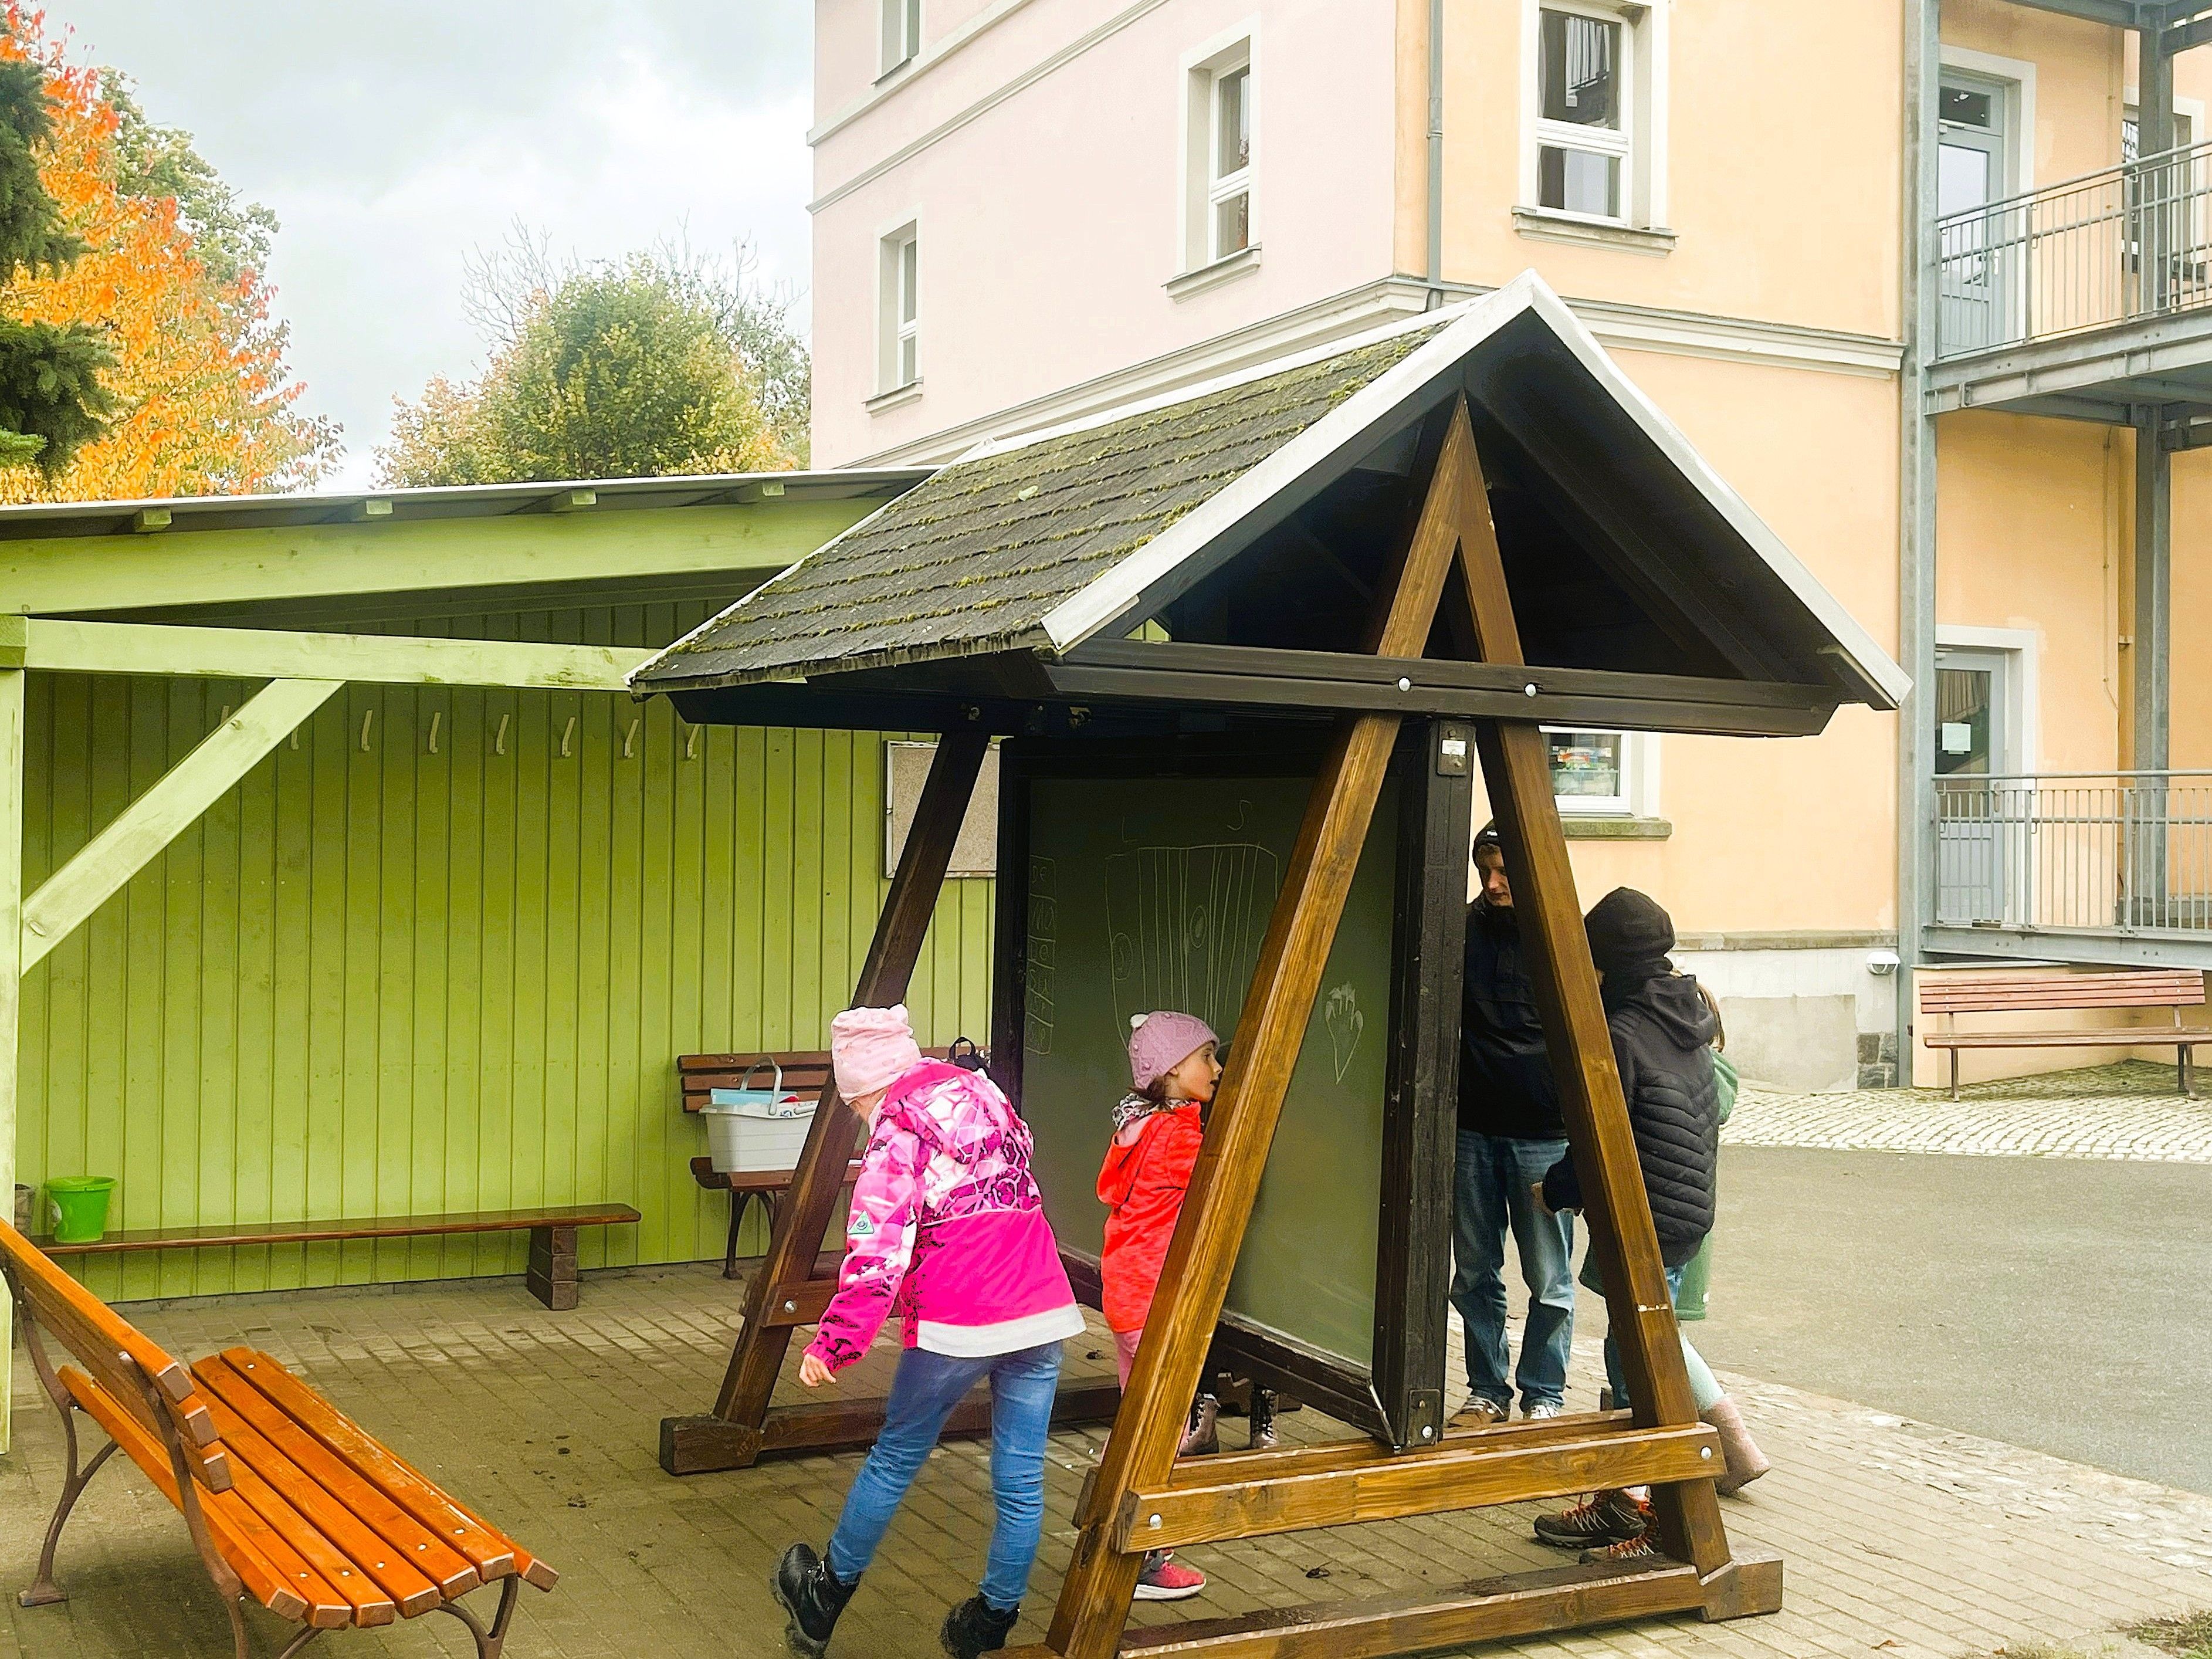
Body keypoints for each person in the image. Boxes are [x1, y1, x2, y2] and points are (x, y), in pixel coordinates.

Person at [773, 1005, 1088, 1659]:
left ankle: (823, 1598)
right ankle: (991, 1619)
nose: (861, 1118)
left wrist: (835, 1342)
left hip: (959, 1316)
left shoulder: (896, 1130)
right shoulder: (984, 1093)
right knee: (1022, 1479)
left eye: (855, 1106)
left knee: (895, 1457)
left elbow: (877, 1251)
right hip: (1040, 1301)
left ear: (865, 1089)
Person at [1526, 889, 1771, 1566]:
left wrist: (1557, 1192)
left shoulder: (1626, 1033)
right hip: (1683, 1216)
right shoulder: (1686, 1018)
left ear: (1610, 962)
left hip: (1649, 1223)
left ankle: (1661, 1520)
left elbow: (1599, 1138)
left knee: (1640, 1361)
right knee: (1635, 1349)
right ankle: (1626, 1495)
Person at [1099, 1010, 1275, 1603]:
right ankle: (1145, 1559)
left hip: (1127, 1293)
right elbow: (1229, 1180)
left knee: (1136, 1419)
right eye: (1207, 1057)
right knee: (1163, 1431)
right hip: (1155, 1300)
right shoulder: (1175, 1137)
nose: (1217, 1068)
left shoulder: (1137, 1124)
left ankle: (1109, 1528)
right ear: (1173, 1070)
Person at [1449, 822, 1576, 1426]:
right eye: (1486, 871)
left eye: (1505, 872)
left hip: (1544, 1135)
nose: (1493, 884)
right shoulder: (1459, 930)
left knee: (1548, 1278)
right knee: (1474, 1272)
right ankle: (1486, 1390)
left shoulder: (1564, 934)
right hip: (1472, 1128)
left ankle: (1544, 1394)